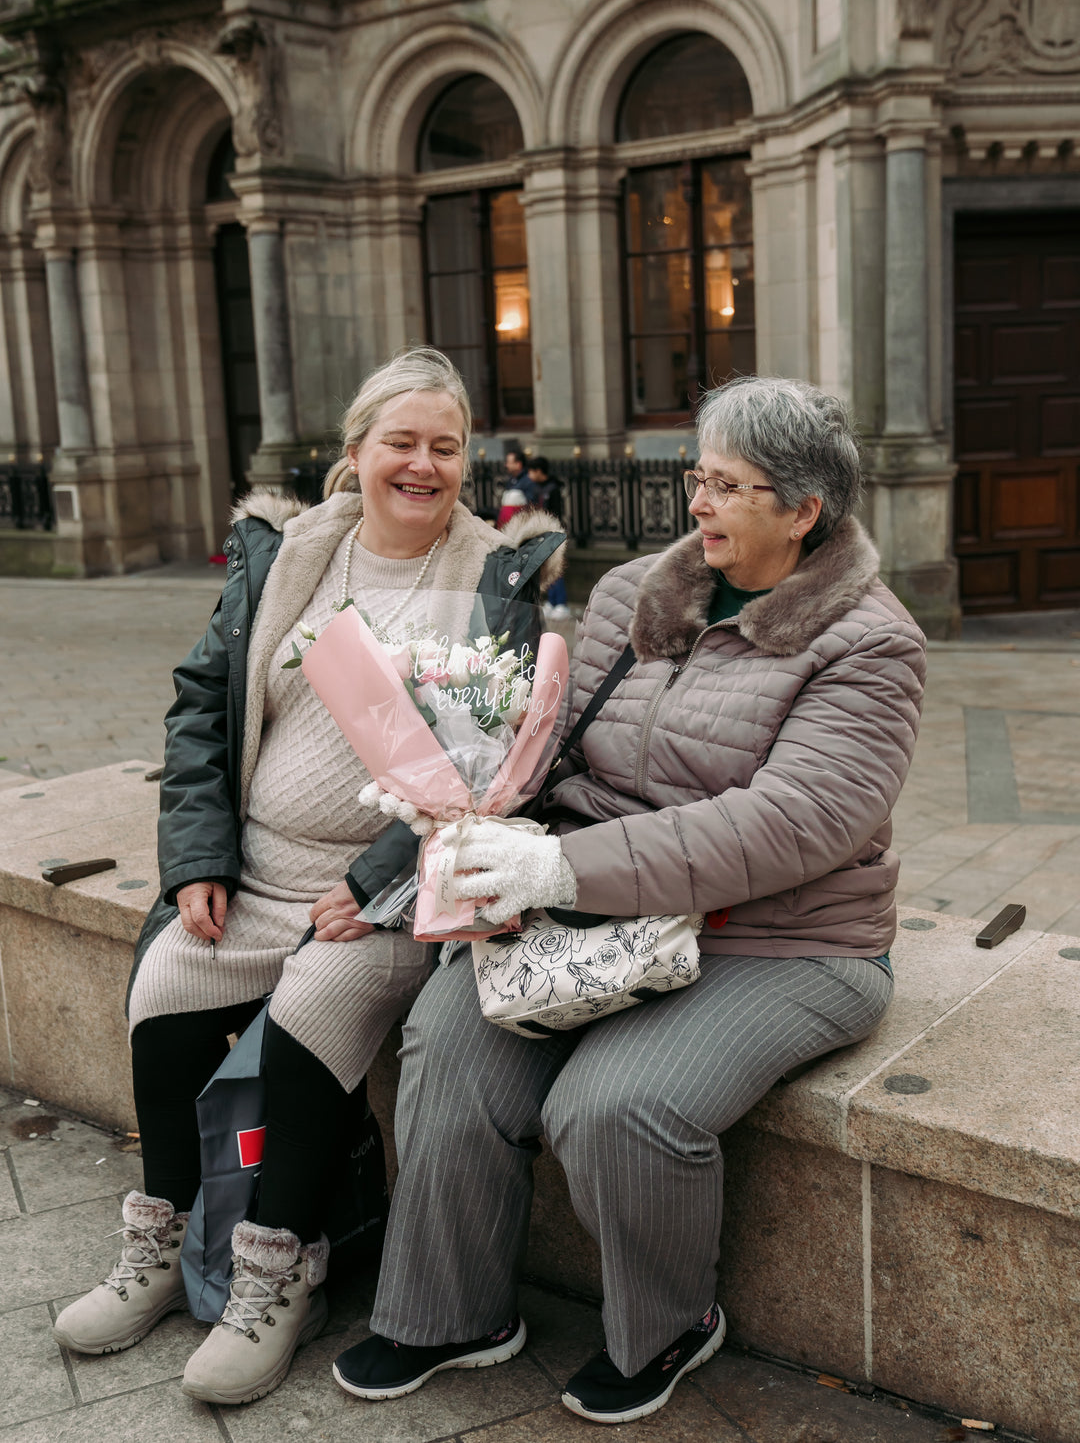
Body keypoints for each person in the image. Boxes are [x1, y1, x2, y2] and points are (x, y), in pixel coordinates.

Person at [331, 376, 925, 1424]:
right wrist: (449, 790)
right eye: (698, 474)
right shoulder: (635, 596)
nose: (695, 501)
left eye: (727, 485)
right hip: (599, 914)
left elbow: (792, 827)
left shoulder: (870, 644)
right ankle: (450, 1313)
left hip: (781, 941)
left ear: (803, 511)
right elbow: (546, 747)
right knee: (450, 1044)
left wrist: (564, 872)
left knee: (614, 1105)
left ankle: (669, 1326)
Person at [52, 347, 564, 1406]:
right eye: (401, 443)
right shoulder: (289, 553)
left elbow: (496, 759)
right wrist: (198, 858)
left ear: (466, 461)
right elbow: (201, 705)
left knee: (307, 1022)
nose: (421, 464)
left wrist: (376, 879)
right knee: (162, 997)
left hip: (386, 894)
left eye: (445, 447)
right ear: (357, 452)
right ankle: (161, 1242)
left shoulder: (496, 576)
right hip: (251, 872)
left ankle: (278, 1273)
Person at [526, 456, 571, 619]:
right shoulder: (535, 488)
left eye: (531, 471)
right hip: (540, 533)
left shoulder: (552, 489)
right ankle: (552, 601)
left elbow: (555, 514)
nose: (529, 475)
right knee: (546, 569)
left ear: (539, 471)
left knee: (556, 568)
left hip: (552, 534)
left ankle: (561, 603)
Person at [496, 446, 538, 528]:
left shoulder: (527, 481)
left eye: (509, 462)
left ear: (518, 464)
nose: (506, 465)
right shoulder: (511, 480)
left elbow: (532, 505)